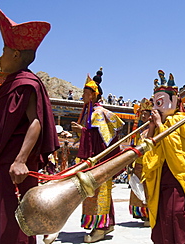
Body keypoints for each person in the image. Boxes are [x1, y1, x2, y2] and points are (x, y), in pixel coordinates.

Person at [0, 3, 59, 244]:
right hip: (2, 168)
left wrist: (20, 160)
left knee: (12, 228)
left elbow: (36, 122)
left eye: (4, 51)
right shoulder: (11, 84)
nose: (0, 57)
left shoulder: (26, 83)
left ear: (16, 55)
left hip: (15, 169)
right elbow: (10, 126)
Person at [142, 70, 185, 244]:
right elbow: (147, 148)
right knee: (162, 216)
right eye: (155, 102)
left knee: (176, 212)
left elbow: (176, 150)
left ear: (174, 101)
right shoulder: (158, 124)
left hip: (176, 178)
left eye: (161, 101)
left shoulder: (181, 121)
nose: (157, 106)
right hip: (160, 178)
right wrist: (152, 127)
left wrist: (159, 125)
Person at [71, 72, 124, 243]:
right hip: (93, 161)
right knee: (98, 193)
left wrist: (83, 132)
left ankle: (100, 229)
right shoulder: (90, 112)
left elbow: (104, 140)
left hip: (100, 161)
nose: (83, 96)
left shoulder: (99, 113)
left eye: (86, 93)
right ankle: (107, 224)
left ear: (94, 94)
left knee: (98, 194)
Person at [128, 98, 153, 227]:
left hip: (148, 165)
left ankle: (150, 214)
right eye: (142, 113)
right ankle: (143, 214)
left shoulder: (153, 130)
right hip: (138, 164)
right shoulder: (140, 131)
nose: (143, 116)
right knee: (139, 190)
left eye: (146, 113)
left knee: (149, 191)